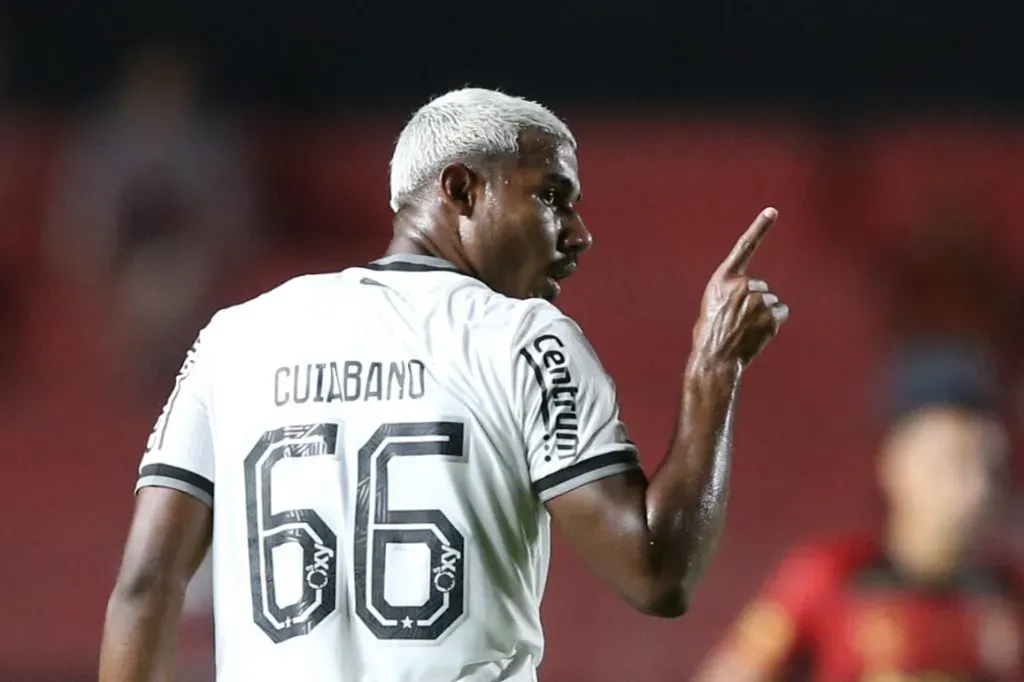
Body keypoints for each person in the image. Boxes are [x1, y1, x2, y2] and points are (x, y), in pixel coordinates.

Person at [99, 88, 788, 682]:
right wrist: (713, 368)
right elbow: (658, 572)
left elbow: (145, 586)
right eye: (551, 196)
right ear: (460, 188)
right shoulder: (521, 336)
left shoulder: (235, 336)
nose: (579, 234)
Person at [693, 347, 1022, 682]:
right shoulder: (830, 576)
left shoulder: (1009, 594)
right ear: (895, 462)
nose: (976, 488)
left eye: (991, 467)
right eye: (952, 462)